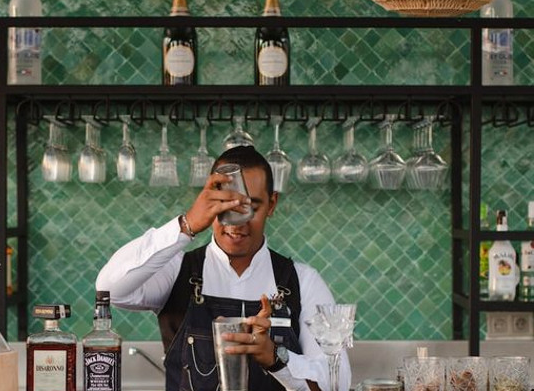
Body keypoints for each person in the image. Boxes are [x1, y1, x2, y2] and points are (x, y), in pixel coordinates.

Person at [96, 146, 351, 391]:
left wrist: (278, 358)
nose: (236, 223)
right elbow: (109, 291)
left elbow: (337, 381)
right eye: (225, 205)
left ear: (272, 205)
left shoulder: (302, 281)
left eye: (249, 207)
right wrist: (186, 225)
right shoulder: (176, 272)